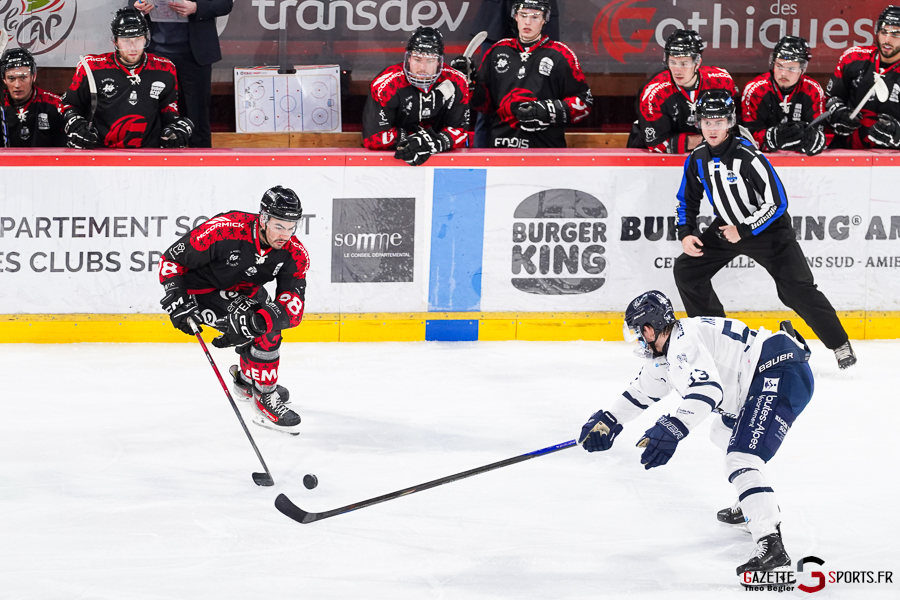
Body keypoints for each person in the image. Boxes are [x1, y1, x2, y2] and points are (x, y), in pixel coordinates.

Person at [578, 290, 815, 575]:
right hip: (763, 376)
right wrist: (609, 419)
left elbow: (707, 391)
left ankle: (770, 543)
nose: (638, 340)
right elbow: (642, 391)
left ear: (650, 328)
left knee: (741, 458)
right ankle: (753, 500)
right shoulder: (671, 347)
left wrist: (674, 428)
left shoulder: (683, 344)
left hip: (778, 372)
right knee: (721, 433)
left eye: (638, 332)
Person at [672, 90, 856, 369]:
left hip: (769, 232)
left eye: (718, 121)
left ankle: (839, 343)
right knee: (687, 270)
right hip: (726, 229)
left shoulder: (748, 156)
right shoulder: (697, 158)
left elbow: (777, 202)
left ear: (730, 122)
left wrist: (744, 230)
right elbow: (687, 200)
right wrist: (686, 232)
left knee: (796, 289)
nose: (712, 128)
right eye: (707, 122)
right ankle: (718, 338)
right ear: (698, 123)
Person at [158, 186, 310, 435]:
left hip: (243, 292)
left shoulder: (294, 253)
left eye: (292, 227)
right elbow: (171, 260)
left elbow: (292, 307)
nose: (285, 234)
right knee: (258, 324)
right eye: (279, 226)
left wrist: (258, 322)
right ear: (263, 218)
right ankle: (264, 397)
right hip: (202, 292)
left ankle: (248, 382)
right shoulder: (224, 229)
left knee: (265, 322)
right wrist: (176, 297)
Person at [60, 7, 194, 149]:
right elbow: (68, 104)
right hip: (100, 151)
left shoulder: (165, 68)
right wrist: (76, 124)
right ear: (115, 42)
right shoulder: (91, 67)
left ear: (146, 39)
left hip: (148, 153)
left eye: (138, 39)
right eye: (126, 40)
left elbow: (168, 109)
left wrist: (175, 128)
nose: (133, 47)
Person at [470, 0, 592, 149]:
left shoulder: (561, 55)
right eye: (523, 15)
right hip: (500, 150)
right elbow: (483, 106)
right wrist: (470, 84)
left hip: (544, 151)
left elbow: (584, 103)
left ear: (544, 20)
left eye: (535, 17)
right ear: (515, 17)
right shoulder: (497, 51)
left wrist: (548, 110)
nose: (527, 22)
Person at [457, 0, 560, 147]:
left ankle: (540, 161)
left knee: (542, 94)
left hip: (540, 12)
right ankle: (481, 162)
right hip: (497, 18)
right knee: (487, 101)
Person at [362, 27, 470, 166]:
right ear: (409, 58)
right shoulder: (388, 85)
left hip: (442, 163)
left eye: (430, 61)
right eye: (417, 59)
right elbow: (373, 138)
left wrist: (431, 143)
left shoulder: (456, 82)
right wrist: (417, 140)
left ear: (439, 62)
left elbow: (461, 132)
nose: (422, 68)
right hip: (393, 163)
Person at [133, 0, 233, 148]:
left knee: (197, 117)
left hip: (195, 55)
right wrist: (138, 7)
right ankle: (155, 162)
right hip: (155, 51)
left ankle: (200, 164)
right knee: (153, 115)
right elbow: (133, 3)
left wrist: (196, 8)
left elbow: (225, 4)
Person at [627, 29, 739, 154]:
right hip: (653, 157)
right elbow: (657, 143)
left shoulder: (721, 82)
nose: (677, 70)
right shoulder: (655, 93)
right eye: (673, 62)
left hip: (709, 154)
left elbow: (731, 127)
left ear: (697, 63)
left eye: (684, 63)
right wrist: (708, 140)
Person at [824, 5, 900, 150]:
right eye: (884, 32)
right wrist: (838, 112)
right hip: (847, 154)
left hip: (892, 161)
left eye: (896, 34)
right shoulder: (853, 58)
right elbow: (829, 99)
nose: (887, 39)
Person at [741, 36, 827, 156]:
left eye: (791, 68)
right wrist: (772, 137)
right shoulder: (755, 90)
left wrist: (812, 140)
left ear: (802, 69)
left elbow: (819, 134)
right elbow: (747, 136)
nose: (783, 73)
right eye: (779, 66)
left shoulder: (812, 90)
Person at [0, 47, 65, 147]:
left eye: (23, 77)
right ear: (4, 79)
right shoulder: (1, 104)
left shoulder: (54, 104)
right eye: (11, 78)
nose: (17, 85)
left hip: (45, 161)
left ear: (33, 76)